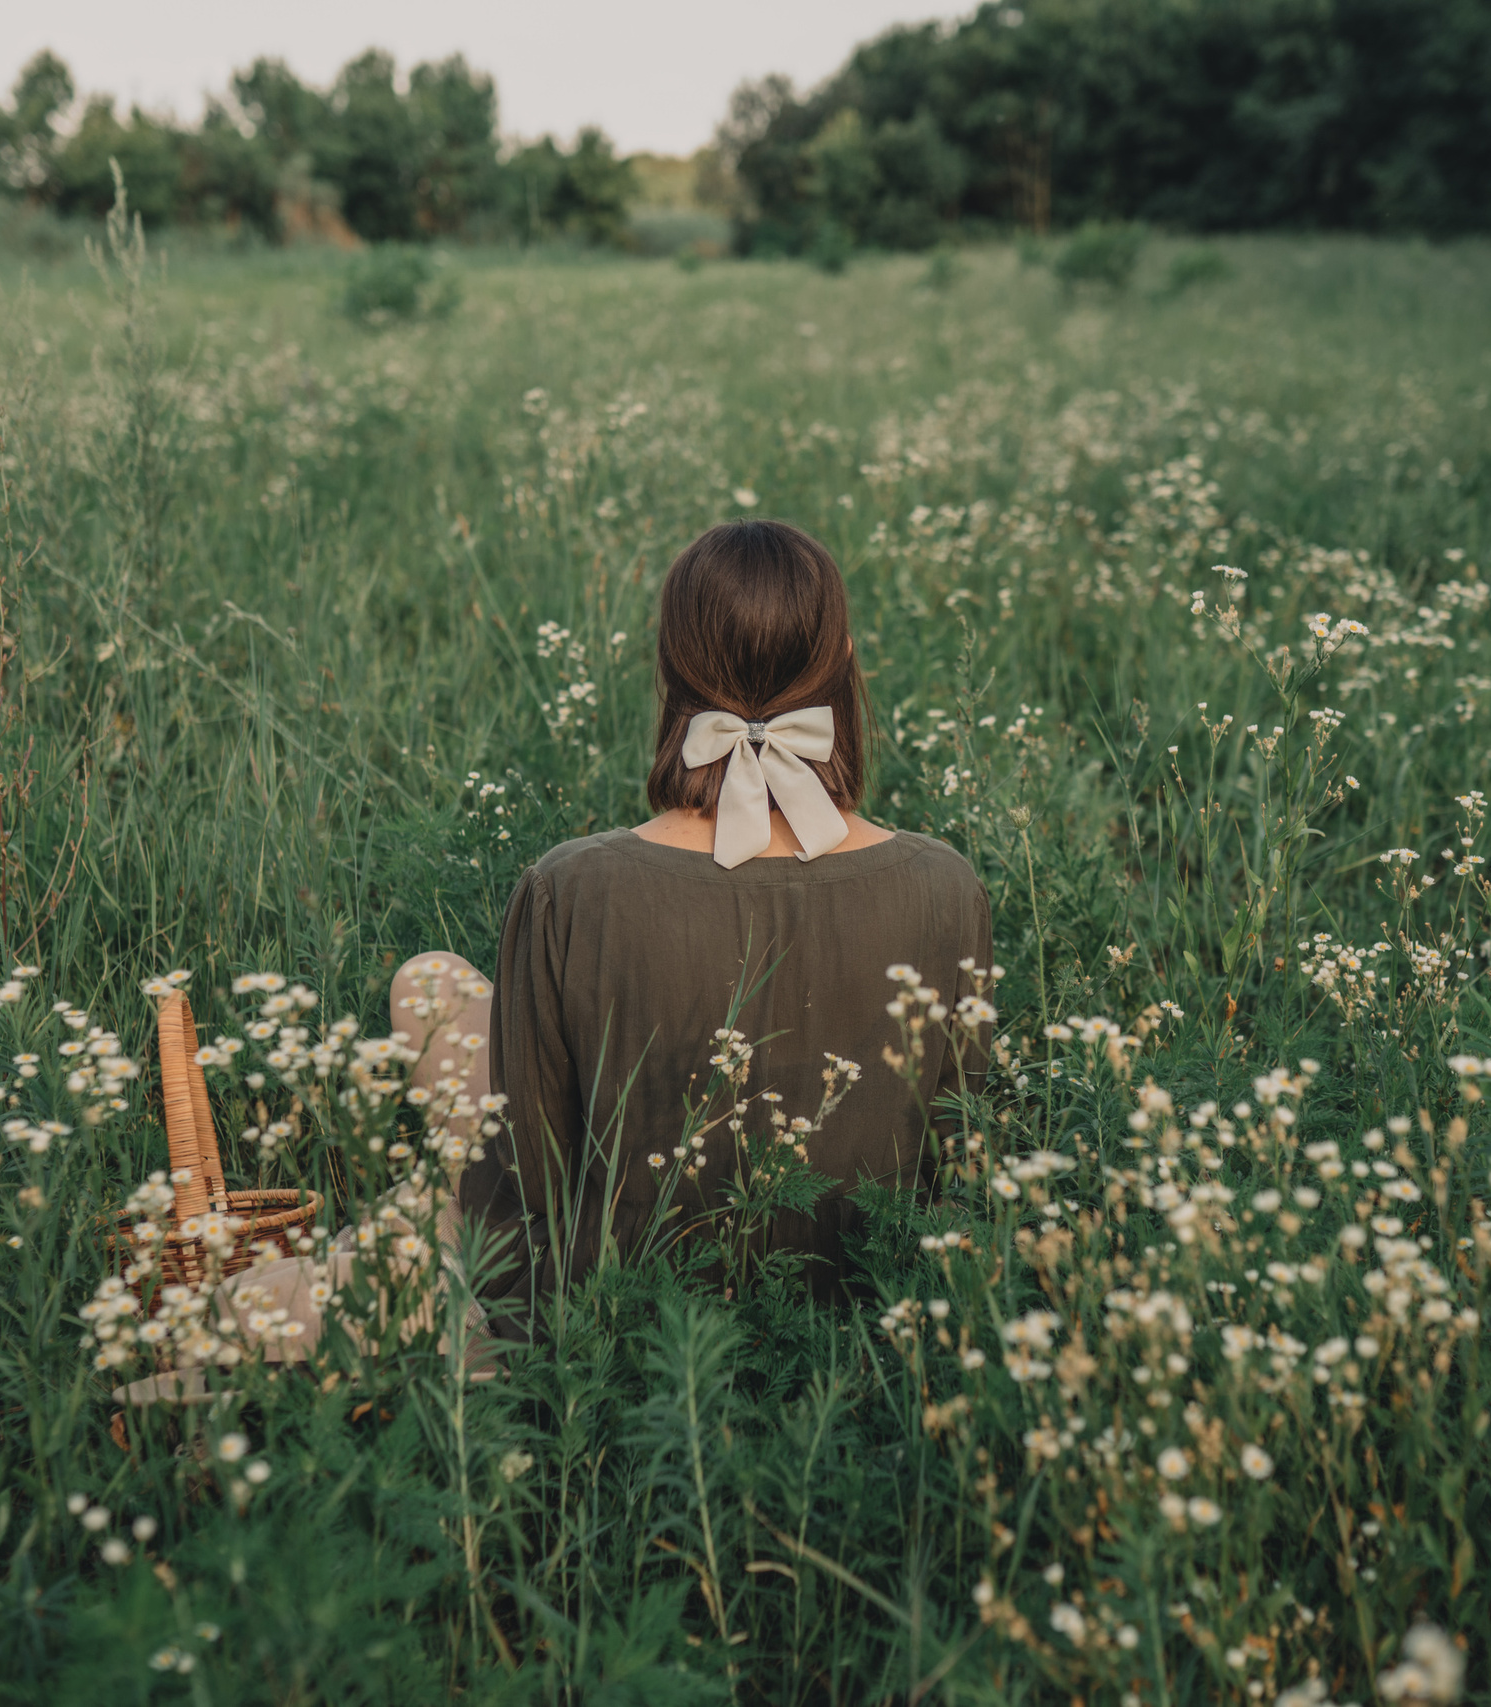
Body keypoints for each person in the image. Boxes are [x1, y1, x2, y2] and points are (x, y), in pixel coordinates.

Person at [198, 518, 991, 1374]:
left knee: (243, 1298)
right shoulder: (947, 888)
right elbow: (960, 1159)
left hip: (611, 1310)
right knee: (429, 983)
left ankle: (404, 1222)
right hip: (859, 1312)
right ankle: (412, 1214)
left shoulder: (571, 887)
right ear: (841, 662)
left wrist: (442, 1221)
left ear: (671, 671)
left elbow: (531, 1182)